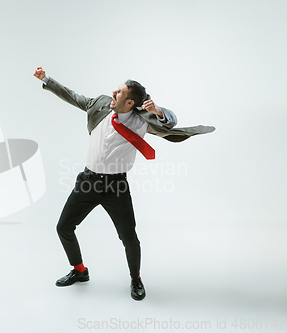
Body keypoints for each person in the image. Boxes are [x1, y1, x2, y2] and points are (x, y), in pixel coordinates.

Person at [33, 66, 192, 301]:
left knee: (129, 238)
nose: (113, 93)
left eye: (118, 92)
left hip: (116, 187)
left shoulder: (141, 121)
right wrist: (46, 79)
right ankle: (79, 271)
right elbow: (73, 96)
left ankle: (136, 279)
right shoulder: (100, 104)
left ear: (130, 103)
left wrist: (157, 110)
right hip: (87, 182)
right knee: (63, 227)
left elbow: (170, 122)